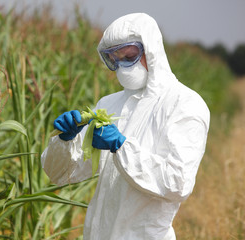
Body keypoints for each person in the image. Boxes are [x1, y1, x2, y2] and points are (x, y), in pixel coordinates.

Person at [41, 13, 210, 240]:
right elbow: (60, 174)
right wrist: (65, 141)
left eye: (129, 55)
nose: (121, 65)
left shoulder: (184, 104)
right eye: (114, 58)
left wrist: (121, 147)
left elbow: (178, 183)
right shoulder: (109, 104)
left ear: (151, 50)